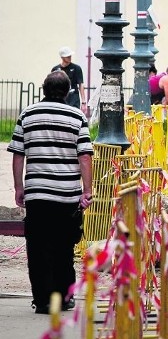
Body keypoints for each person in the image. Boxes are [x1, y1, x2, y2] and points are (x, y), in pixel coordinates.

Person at [8, 70, 93, 314]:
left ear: (44, 89)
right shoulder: (76, 116)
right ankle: (63, 298)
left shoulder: (28, 114)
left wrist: (19, 187)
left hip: (37, 194)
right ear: (68, 92)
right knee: (64, 247)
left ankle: (43, 301)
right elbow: (85, 156)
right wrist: (86, 190)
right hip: (66, 194)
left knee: (37, 247)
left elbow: (18, 153)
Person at [52, 46, 87, 113]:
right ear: (62, 57)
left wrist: (83, 102)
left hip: (73, 97)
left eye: (70, 55)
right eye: (67, 56)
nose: (69, 57)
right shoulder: (55, 69)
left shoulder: (76, 68)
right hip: (60, 98)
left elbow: (81, 84)